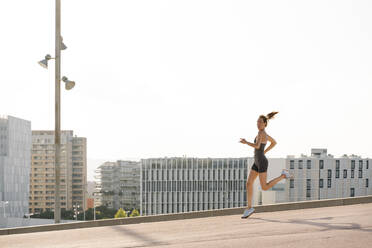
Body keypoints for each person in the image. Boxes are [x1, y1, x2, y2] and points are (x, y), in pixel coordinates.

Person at [239, 111, 292, 219]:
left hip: (262, 162)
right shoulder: (264, 134)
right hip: (257, 161)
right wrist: (265, 151)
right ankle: (249, 208)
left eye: (260, 122)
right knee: (249, 183)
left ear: (264, 124)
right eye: (257, 122)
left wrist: (246, 142)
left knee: (264, 187)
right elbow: (274, 142)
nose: (258, 124)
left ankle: (283, 175)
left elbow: (257, 146)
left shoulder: (261, 133)